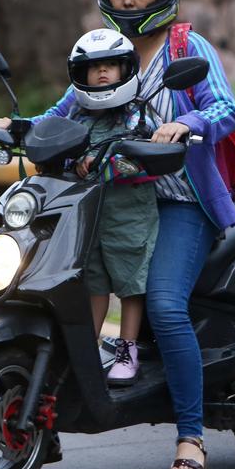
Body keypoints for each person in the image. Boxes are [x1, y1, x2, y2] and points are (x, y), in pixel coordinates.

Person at [0, 0, 235, 469]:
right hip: (111, 197)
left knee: (165, 307)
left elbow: (226, 108)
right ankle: (45, 421)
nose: (129, 0)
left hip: (179, 199)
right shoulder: (106, 48)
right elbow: (66, 111)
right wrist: (18, 128)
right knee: (57, 289)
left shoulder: (188, 48)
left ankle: (191, 435)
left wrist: (186, 124)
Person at [65, 28, 157, 385]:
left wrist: (105, 163)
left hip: (129, 213)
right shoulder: (78, 114)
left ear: (125, 69)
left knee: (131, 282)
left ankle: (127, 348)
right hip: (90, 213)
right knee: (94, 283)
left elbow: (146, 153)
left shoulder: (137, 114)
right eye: (93, 66)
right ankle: (87, 350)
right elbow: (62, 141)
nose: (102, 72)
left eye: (110, 65)